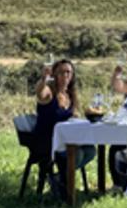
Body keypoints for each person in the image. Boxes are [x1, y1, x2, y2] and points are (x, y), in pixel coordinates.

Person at [34, 58, 95, 198]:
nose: (65, 76)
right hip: (48, 141)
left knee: (90, 151)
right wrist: (43, 79)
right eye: (61, 72)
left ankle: (59, 178)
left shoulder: (69, 94)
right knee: (77, 154)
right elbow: (40, 93)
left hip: (67, 139)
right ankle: (65, 185)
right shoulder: (50, 91)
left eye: (68, 72)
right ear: (54, 74)